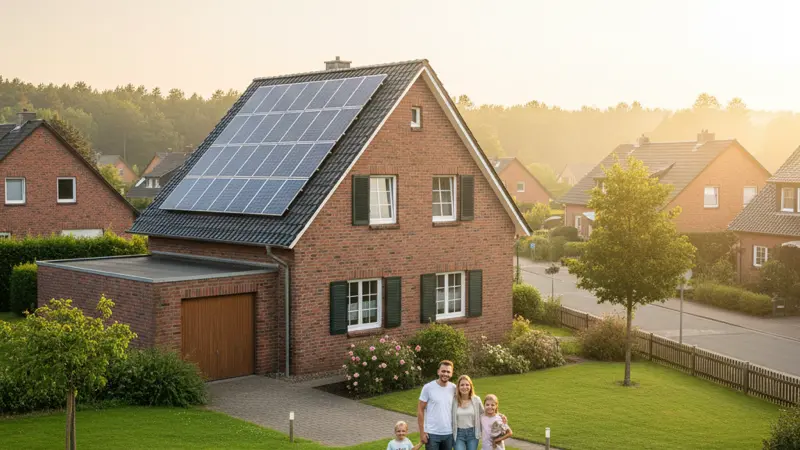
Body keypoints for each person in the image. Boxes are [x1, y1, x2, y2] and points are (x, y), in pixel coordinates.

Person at [417, 360, 456, 450]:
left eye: (448, 372)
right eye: (443, 371)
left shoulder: (454, 388)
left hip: (449, 433)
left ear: (451, 373)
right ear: (438, 371)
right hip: (432, 434)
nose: (445, 374)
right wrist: (422, 432)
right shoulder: (428, 387)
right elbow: (420, 410)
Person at [451, 375, 482, 450]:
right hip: (458, 434)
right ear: (458, 387)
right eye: (462, 385)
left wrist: (499, 416)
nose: (465, 387)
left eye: (467, 385)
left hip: (473, 434)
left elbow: (484, 414)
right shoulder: (454, 401)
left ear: (471, 386)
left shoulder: (476, 400)